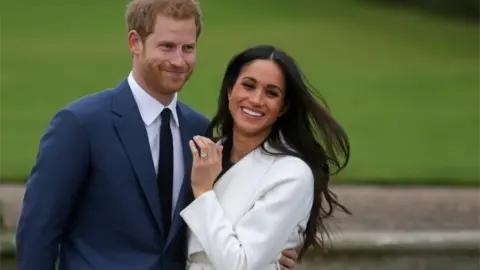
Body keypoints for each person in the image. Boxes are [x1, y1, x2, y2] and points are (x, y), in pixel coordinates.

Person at [15, 0, 298, 269]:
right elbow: (38, 232)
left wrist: (268, 251)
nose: (178, 61)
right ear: (135, 42)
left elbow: (216, 215)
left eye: (188, 48)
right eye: (167, 46)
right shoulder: (80, 124)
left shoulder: (200, 131)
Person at [178, 45, 352, 269]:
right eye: (248, 86)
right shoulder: (206, 153)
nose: (256, 100)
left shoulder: (291, 175)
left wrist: (203, 192)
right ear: (230, 90)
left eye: (272, 93)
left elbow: (242, 265)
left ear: (282, 107)